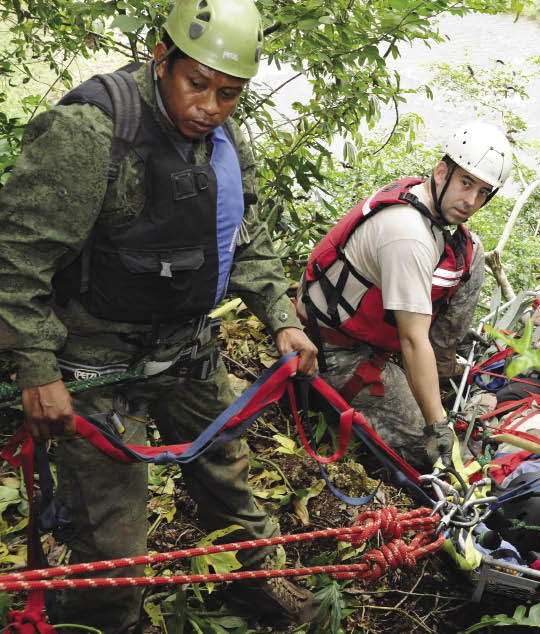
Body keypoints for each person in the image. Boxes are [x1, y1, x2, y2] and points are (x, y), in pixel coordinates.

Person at [0, 0, 319, 630]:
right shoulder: (90, 133)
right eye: (196, 83)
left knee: (226, 469)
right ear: (161, 57)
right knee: (113, 549)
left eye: (228, 94)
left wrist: (280, 315)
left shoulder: (224, 138)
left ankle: (258, 580)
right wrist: (37, 369)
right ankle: (105, 617)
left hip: (185, 347)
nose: (209, 106)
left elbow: (243, 235)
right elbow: (16, 257)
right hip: (91, 361)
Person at [298, 122, 513, 468]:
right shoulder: (408, 234)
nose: (472, 201)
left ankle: (440, 365)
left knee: (472, 254)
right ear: (442, 172)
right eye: (466, 183)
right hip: (335, 350)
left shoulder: (421, 195)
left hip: (375, 334)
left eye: (484, 192)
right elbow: (413, 340)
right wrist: (436, 424)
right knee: (433, 451)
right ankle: (423, 394)